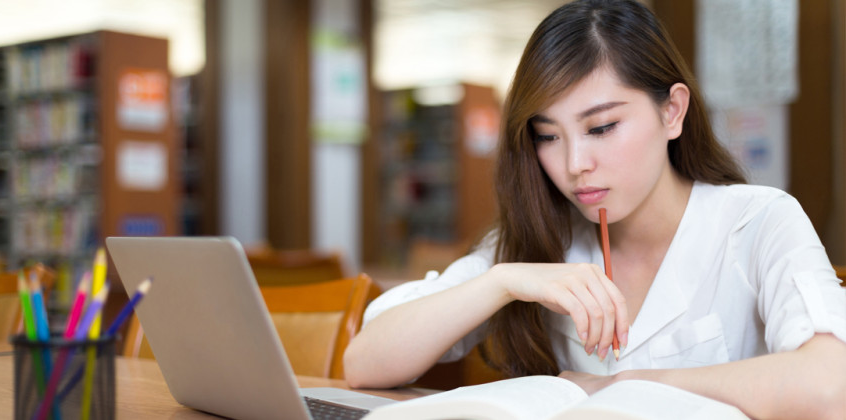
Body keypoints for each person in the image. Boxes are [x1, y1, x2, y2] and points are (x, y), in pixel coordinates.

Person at [344, 0, 846, 418]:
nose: (575, 164)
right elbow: (365, 363)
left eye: (602, 127)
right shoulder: (540, 237)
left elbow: (831, 387)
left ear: (672, 111)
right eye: (547, 136)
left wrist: (622, 384)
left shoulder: (757, 221)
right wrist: (501, 281)